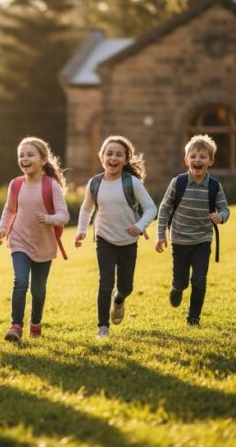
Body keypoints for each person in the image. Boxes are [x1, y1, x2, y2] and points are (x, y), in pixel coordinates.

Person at [75, 136, 157, 338]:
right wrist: (82, 230)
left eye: (119, 154)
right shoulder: (94, 183)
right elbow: (86, 209)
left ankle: (119, 299)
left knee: (126, 286)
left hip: (128, 241)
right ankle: (103, 327)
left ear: (126, 159)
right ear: (101, 157)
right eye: (109, 153)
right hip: (104, 238)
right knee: (105, 282)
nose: (113, 158)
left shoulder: (132, 183)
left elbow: (151, 208)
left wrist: (139, 227)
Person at [0, 137, 69, 342]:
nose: (24, 159)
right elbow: (10, 209)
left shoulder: (51, 186)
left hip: (44, 244)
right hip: (19, 240)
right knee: (20, 282)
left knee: (38, 290)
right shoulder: (15, 184)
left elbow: (64, 216)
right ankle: (15, 326)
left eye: (30, 155)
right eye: (21, 155)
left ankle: (35, 323)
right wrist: (2, 230)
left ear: (43, 160)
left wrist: (48, 219)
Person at [155, 134, 230, 326]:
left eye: (203, 156)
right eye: (193, 156)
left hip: (202, 240)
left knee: (199, 280)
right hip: (179, 240)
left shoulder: (214, 186)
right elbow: (164, 208)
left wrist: (221, 217)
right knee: (182, 281)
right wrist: (161, 234)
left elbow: (224, 208)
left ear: (211, 161)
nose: (197, 160)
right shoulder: (178, 182)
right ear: (186, 160)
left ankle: (193, 318)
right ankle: (177, 287)